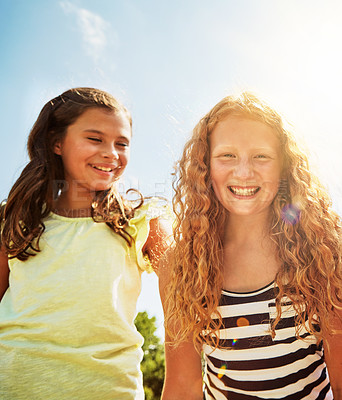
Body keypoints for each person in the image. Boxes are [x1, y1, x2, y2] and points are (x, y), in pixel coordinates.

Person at [159, 92, 342, 399]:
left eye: (261, 156)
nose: (243, 172)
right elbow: (182, 385)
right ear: (204, 166)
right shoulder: (180, 263)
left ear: (284, 166)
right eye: (227, 156)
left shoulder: (322, 249)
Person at [0, 87, 171, 400]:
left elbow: (185, 301)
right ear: (56, 142)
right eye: (95, 139)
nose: (111, 153)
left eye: (122, 143)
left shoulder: (140, 221)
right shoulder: (17, 220)